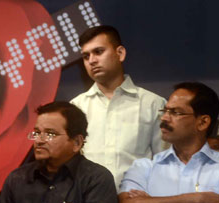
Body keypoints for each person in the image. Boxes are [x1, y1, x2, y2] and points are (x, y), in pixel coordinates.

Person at [71, 25, 167, 189]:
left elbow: (165, 163)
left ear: (120, 53)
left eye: (99, 52)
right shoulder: (75, 107)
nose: (92, 60)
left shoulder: (153, 104)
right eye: (86, 56)